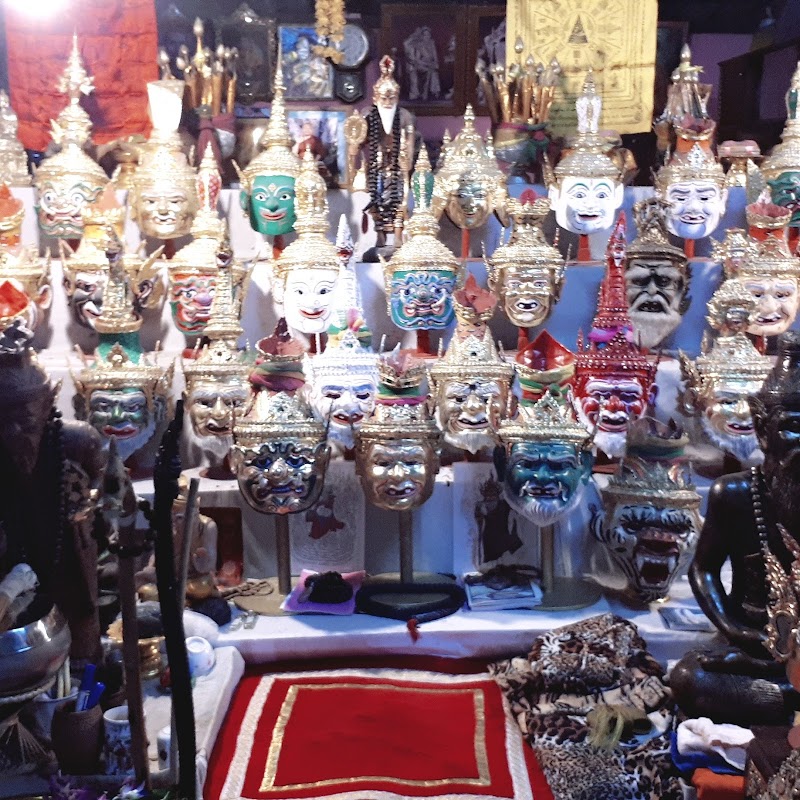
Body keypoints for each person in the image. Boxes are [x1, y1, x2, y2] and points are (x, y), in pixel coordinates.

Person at [671, 331, 800, 725]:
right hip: (754, 639)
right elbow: (703, 569)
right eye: (793, 427)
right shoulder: (735, 493)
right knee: (690, 679)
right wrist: (736, 630)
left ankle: (784, 697)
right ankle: (787, 699)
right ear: (761, 427)